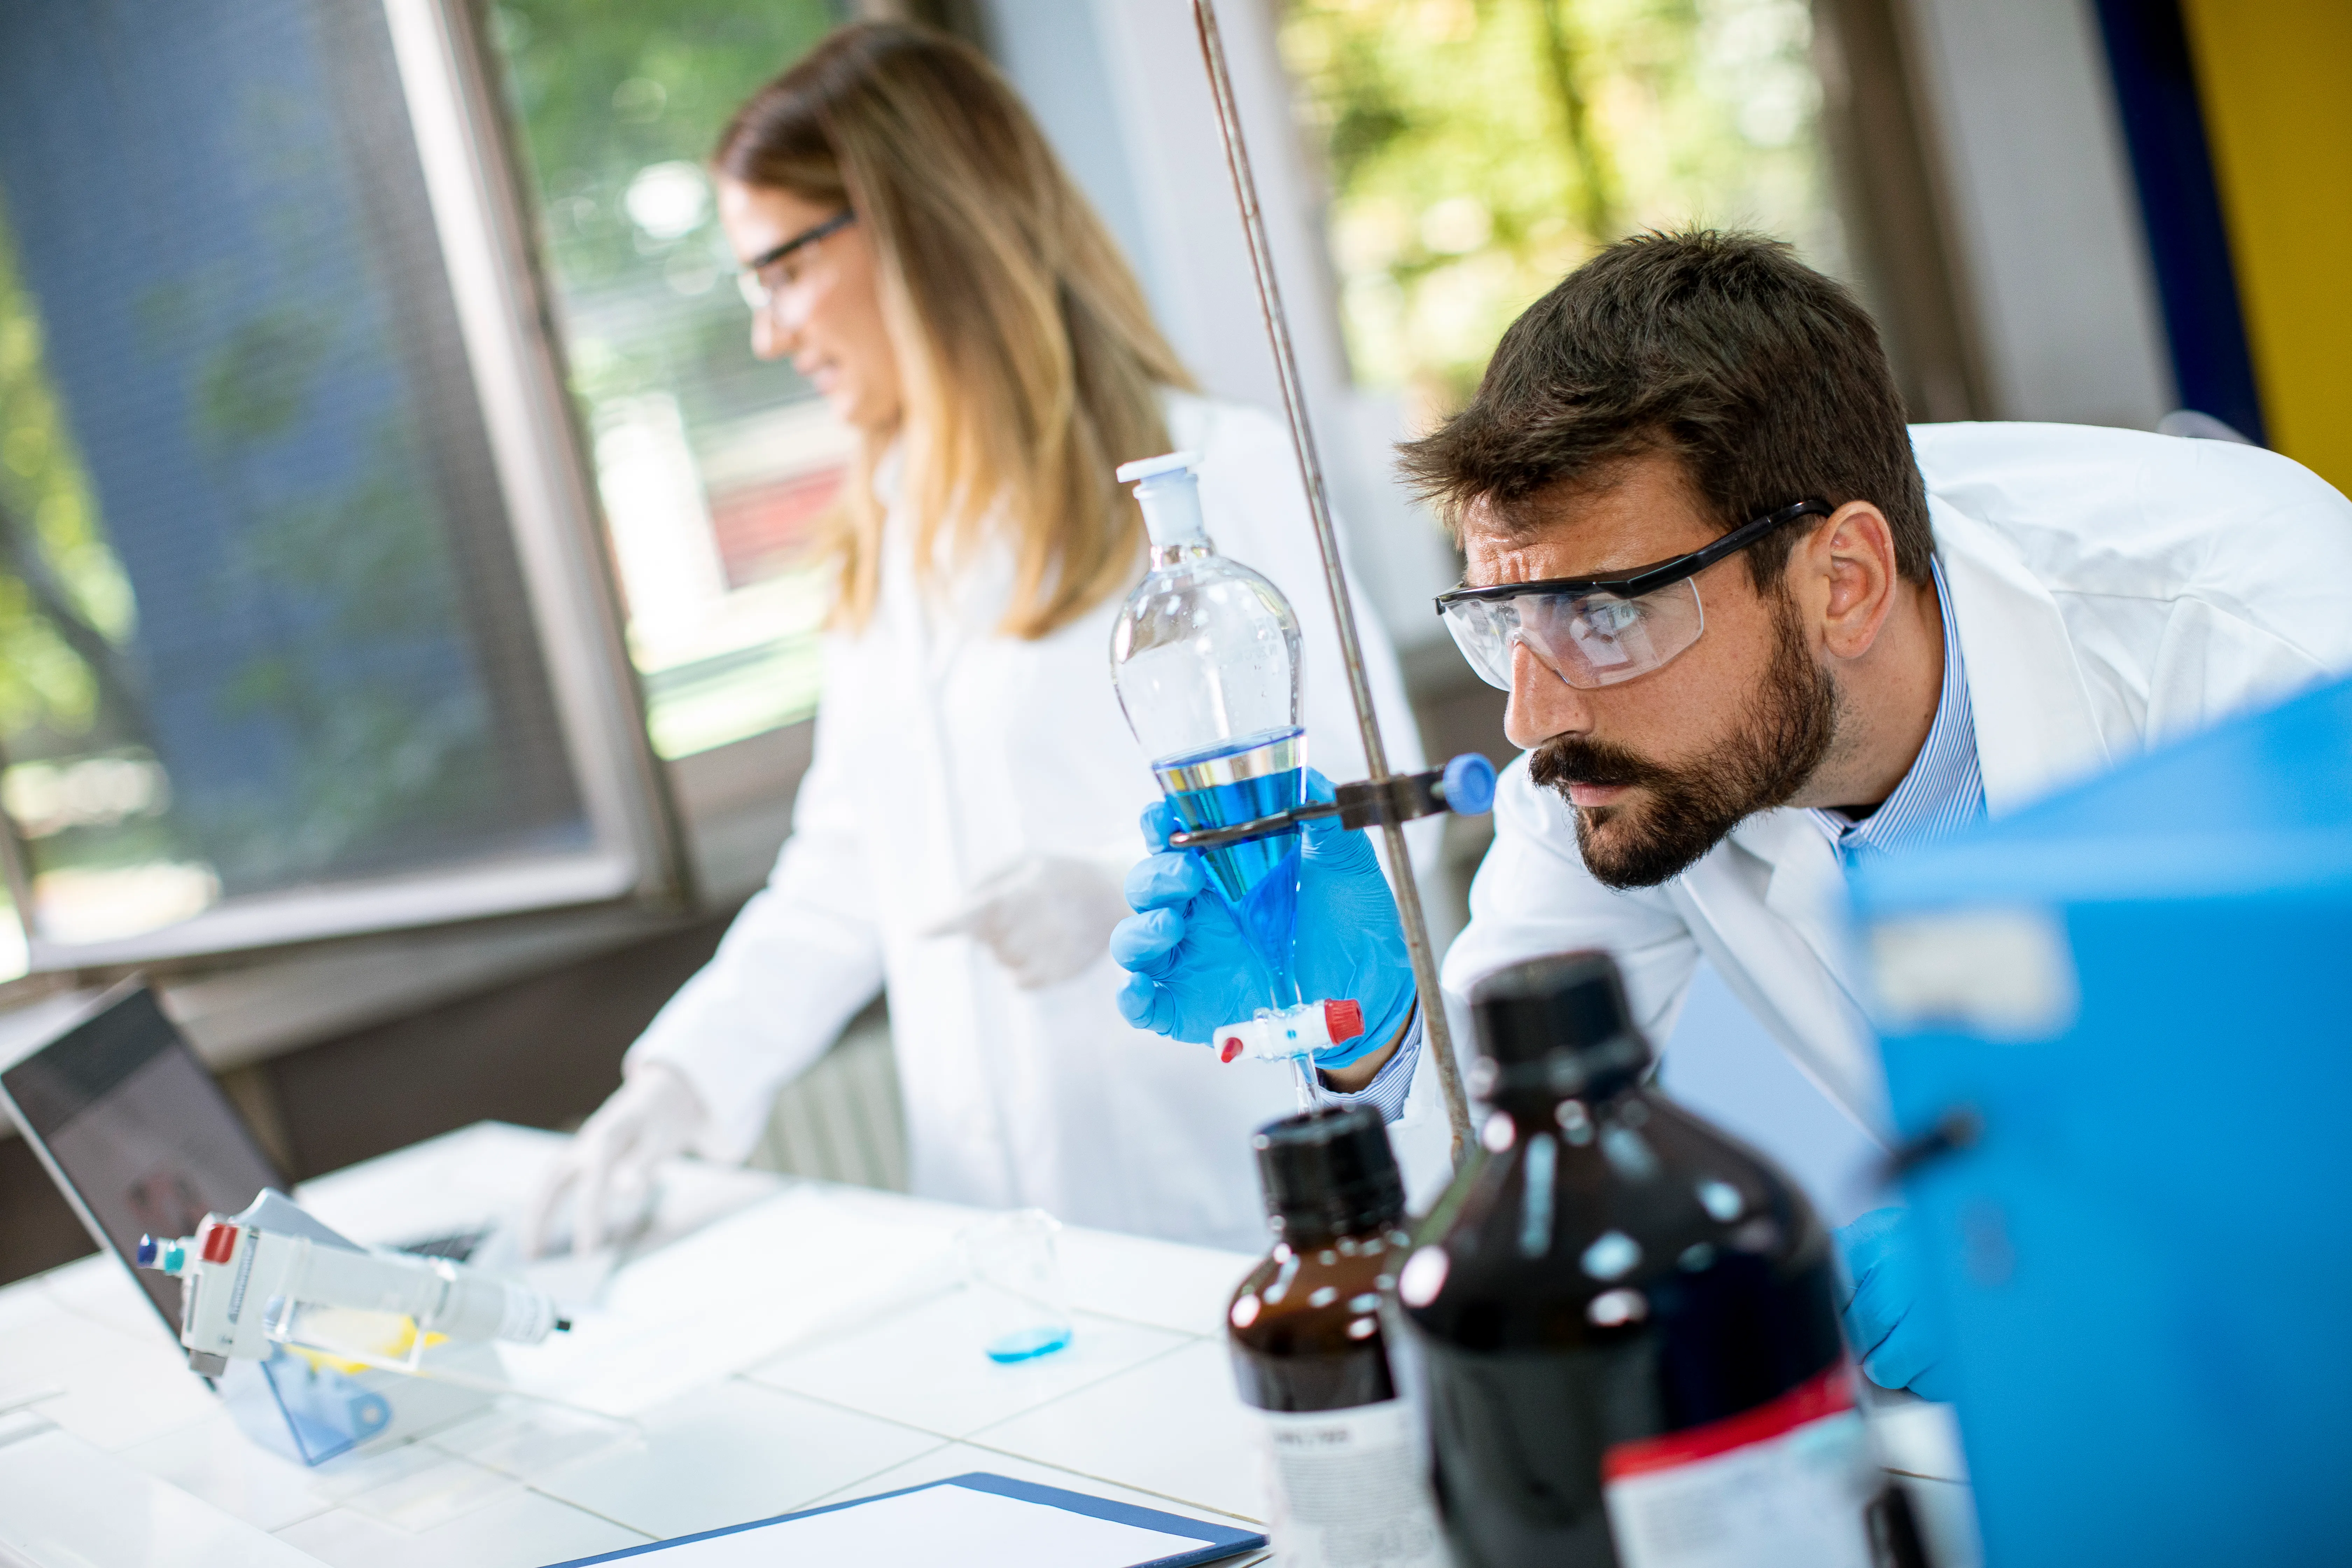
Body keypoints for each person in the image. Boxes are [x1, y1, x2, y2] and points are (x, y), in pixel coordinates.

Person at [1115, 230, 2352, 1394]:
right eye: (1507, 622)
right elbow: (1500, 1187)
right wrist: (1369, 1028)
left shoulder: (2275, 647)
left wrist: (2126, 1233)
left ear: (1843, 583)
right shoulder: (1599, 734)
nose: (1529, 720)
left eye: (1604, 612)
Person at [530, 23, 1426, 1257]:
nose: (768, 331)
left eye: (781, 270)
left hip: (1234, 1192)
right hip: (1007, 1223)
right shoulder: (896, 537)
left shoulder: (1217, 472)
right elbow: (845, 871)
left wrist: (1116, 884)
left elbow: (1370, 828)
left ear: (914, 224)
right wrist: (679, 1080)